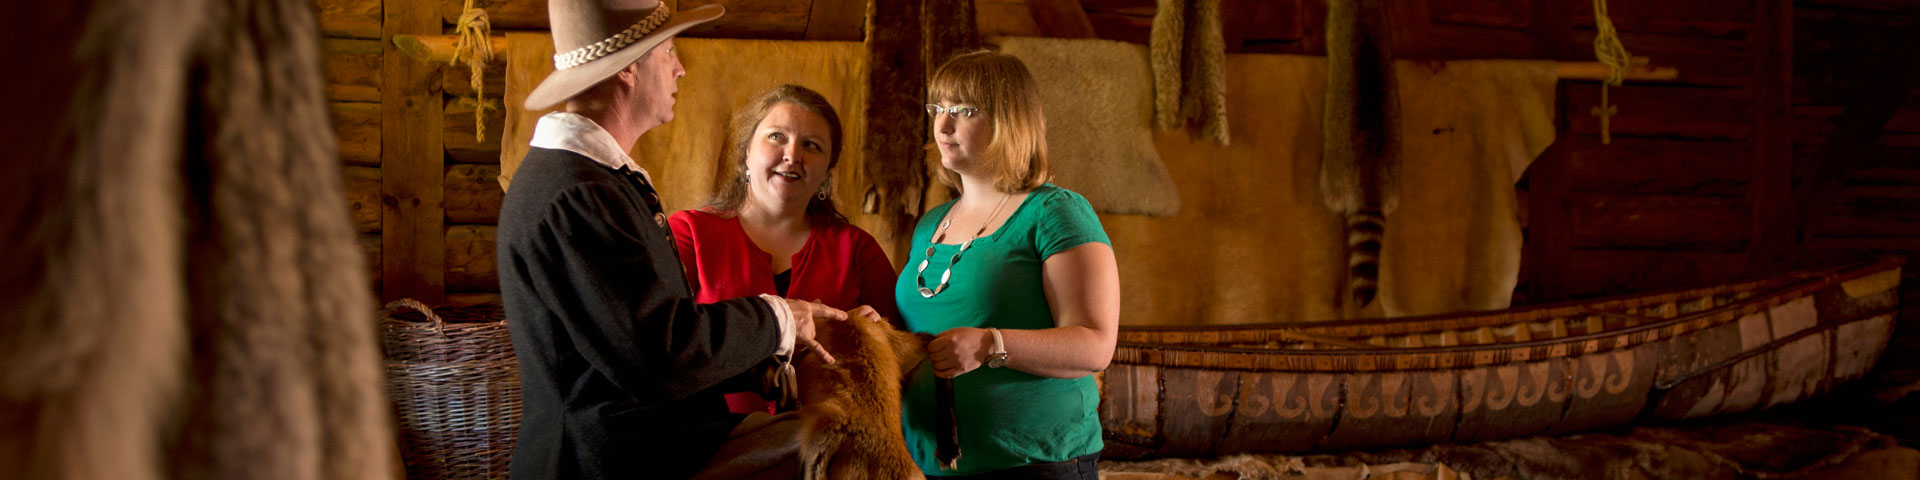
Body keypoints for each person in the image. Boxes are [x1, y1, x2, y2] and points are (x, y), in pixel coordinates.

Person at [495, 1, 845, 478]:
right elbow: (660, 355)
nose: (679, 69)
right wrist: (778, 316)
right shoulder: (577, 193)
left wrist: (766, 355)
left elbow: (631, 341)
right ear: (628, 71)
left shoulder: (594, 181)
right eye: (668, 52)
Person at [896, 50, 1121, 479]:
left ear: (1009, 121)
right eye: (938, 108)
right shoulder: (929, 226)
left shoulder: (1055, 212)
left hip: (1035, 464)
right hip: (928, 463)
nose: (943, 125)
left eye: (963, 110)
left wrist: (988, 345)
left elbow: (1095, 345)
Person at [669, 84, 903, 414]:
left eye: (812, 145)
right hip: (711, 450)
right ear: (746, 151)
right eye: (777, 137)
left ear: (826, 171)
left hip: (826, 449)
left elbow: (898, 357)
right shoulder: (690, 233)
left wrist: (870, 335)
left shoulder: (857, 248)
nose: (793, 155)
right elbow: (664, 342)